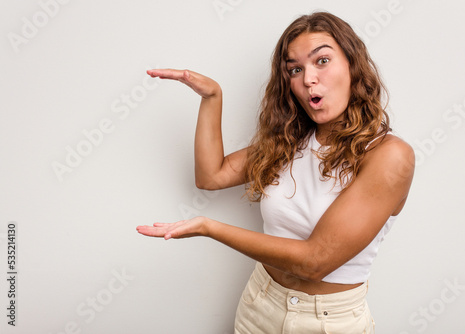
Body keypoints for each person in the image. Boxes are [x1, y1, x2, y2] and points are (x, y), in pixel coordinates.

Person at [136, 11, 414, 333]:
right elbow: (211, 176)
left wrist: (210, 227)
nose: (308, 78)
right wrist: (212, 97)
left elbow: (316, 261)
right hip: (259, 305)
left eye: (321, 61)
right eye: (295, 69)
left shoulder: (389, 156)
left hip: (327, 322)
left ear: (353, 64)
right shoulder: (292, 140)